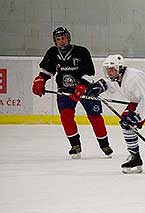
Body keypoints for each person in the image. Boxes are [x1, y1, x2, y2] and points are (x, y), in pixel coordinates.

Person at [31, 26, 113, 159]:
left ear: (68, 38)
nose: (61, 41)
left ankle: (104, 144)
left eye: (63, 38)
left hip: (86, 88)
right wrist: (40, 80)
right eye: (58, 39)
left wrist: (82, 87)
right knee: (66, 116)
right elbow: (47, 71)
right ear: (55, 41)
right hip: (65, 91)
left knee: (95, 116)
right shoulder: (52, 53)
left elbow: (90, 73)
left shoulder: (81, 51)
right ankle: (75, 145)